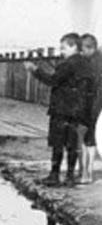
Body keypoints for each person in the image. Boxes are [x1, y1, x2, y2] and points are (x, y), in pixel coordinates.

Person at [25, 33, 94, 187]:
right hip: (79, 112)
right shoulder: (86, 64)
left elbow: (53, 80)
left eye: (63, 48)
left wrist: (35, 70)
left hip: (62, 110)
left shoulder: (67, 64)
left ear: (74, 46)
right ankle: (70, 176)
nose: (61, 51)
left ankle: (54, 175)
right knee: (72, 144)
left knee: (58, 143)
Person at [80, 33, 101, 183]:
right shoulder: (97, 60)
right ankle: (87, 172)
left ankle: (87, 173)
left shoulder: (93, 63)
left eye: (83, 50)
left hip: (93, 103)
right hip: (95, 103)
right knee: (91, 137)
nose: (81, 53)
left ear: (90, 48)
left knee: (89, 137)